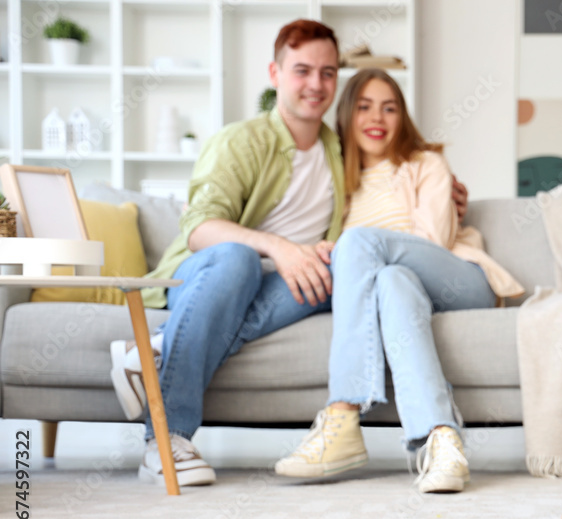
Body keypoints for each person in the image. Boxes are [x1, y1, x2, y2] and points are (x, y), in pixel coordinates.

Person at [108, 20, 468, 487]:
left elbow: (390, 172)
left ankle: (161, 353)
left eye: (327, 72)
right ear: (275, 73)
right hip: (211, 278)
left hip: (283, 287)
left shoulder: (339, 150)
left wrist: (450, 193)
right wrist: (279, 248)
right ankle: (167, 439)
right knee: (239, 258)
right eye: (302, 71)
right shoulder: (242, 141)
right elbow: (199, 229)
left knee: (343, 267)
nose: (315, 85)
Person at [272, 69, 524, 493]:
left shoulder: (426, 163)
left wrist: (357, 245)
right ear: (348, 116)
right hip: (400, 285)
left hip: (457, 278)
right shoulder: (339, 183)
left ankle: (343, 414)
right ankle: (443, 442)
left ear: (402, 116)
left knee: (365, 248)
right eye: (366, 107)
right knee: (390, 281)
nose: (378, 118)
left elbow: (435, 241)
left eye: (390, 108)